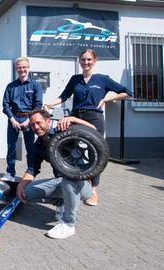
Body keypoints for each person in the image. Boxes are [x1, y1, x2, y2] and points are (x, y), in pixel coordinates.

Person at [43, 48, 132, 206]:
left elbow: (127, 93)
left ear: (94, 61)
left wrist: (107, 99)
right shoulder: (75, 79)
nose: (86, 62)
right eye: (83, 59)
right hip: (75, 116)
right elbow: (63, 96)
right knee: (68, 148)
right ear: (80, 61)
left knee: (95, 153)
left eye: (89, 59)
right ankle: (70, 181)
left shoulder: (102, 79)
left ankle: (94, 191)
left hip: (94, 117)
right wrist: (49, 104)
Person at [17, 109, 95, 239]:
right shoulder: (38, 146)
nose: (36, 127)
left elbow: (93, 130)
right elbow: (32, 169)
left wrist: (73, 119)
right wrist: (21, 185)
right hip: (61, 182)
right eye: (32, 125)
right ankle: (61, 202)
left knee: (69, 179)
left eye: (38, 122)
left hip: (80, 183)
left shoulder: (64, 130)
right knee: (27, 191)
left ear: (48, 121)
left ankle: (69, 224)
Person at [2, 57, 43, 181]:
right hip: (14, 119)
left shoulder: (35, 85)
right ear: (16, 69)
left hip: (29, 120)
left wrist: (29, 120)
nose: (22, 69)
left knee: (30, 148)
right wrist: (12, 119)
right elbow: (5, 105)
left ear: (28, 68)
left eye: (24, 67)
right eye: (19, 67)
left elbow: (38, 105)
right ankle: (10, 173)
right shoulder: (11, 86)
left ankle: (30, 172)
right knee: (11, 147)